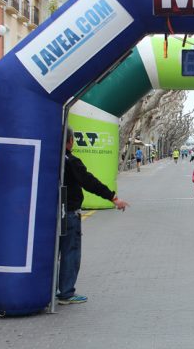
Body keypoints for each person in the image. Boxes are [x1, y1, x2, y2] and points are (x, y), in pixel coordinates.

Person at [59, 127, 129, 305]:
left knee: (52, 253)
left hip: (48, 212)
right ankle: (66, 292)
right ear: (70, 141)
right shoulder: (71, 161)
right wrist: (113, 197)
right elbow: (89, 182)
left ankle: (49, 290)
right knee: (70, 252)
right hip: (68, 213)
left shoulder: (48, 159)